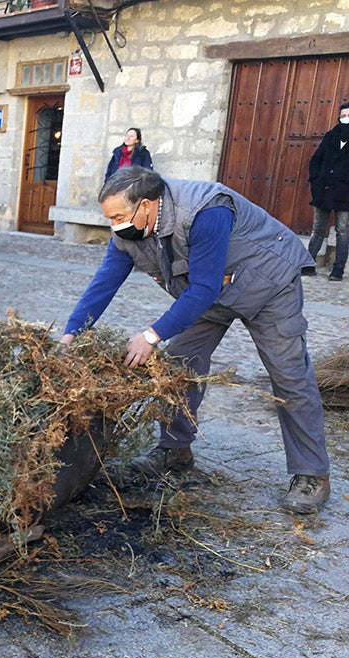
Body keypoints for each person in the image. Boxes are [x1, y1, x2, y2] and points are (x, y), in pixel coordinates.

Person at [60, 166, 331, 514]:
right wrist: (71, 335)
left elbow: (202, 288)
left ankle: (312, 474)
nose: (114, 224)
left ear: (146, 205)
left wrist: (150, 335)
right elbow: (104, 284)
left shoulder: (206, 210)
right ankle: (175, 449)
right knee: (180, 361)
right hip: (212, 292)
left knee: (288, 372)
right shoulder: (128, 232)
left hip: (269, 281)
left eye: (118, 216)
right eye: (108, 217)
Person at [304, 102, 349, 282]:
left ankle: (338, 269)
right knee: (317, 230)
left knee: (343, 231)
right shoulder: (331, 137)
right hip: (323, 191)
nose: (346, 119)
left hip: (345, 194)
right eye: (343, 115)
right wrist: (316, 183)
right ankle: (307, 264)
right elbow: (316, 160)